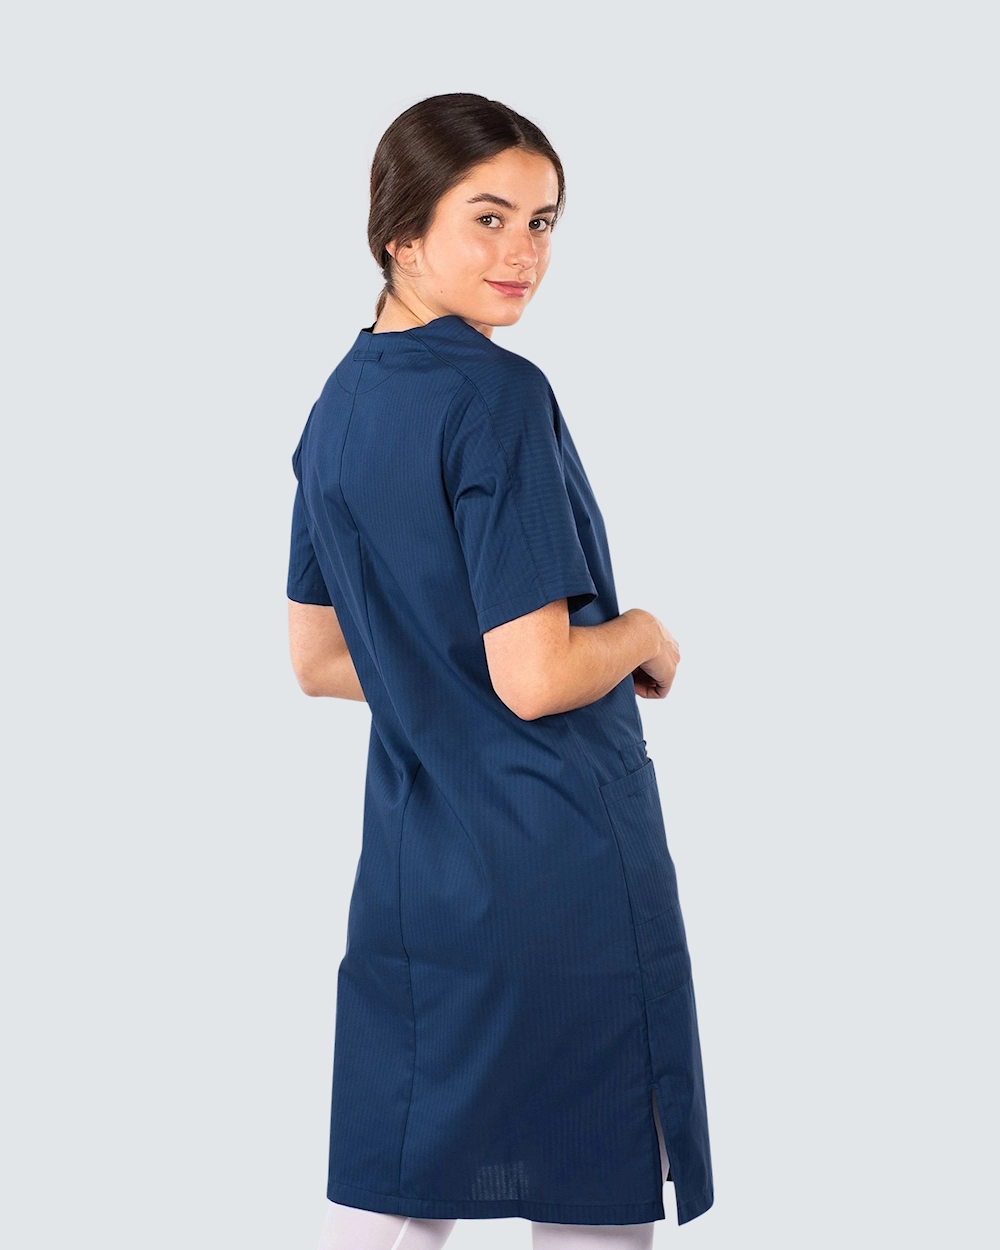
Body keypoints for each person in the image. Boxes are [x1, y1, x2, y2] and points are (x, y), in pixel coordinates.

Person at [287, 93, 714, 1250]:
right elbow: (535, 676)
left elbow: (320, 657)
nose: (522, 252)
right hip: (556, 864)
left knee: (403, 1186)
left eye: (542, 221)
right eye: (488, 218)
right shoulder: (495, 394)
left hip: (416, 872)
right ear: (400, 232)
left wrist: (439, 675)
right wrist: (642, 633)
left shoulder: (336, 407)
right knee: (586, 1193)